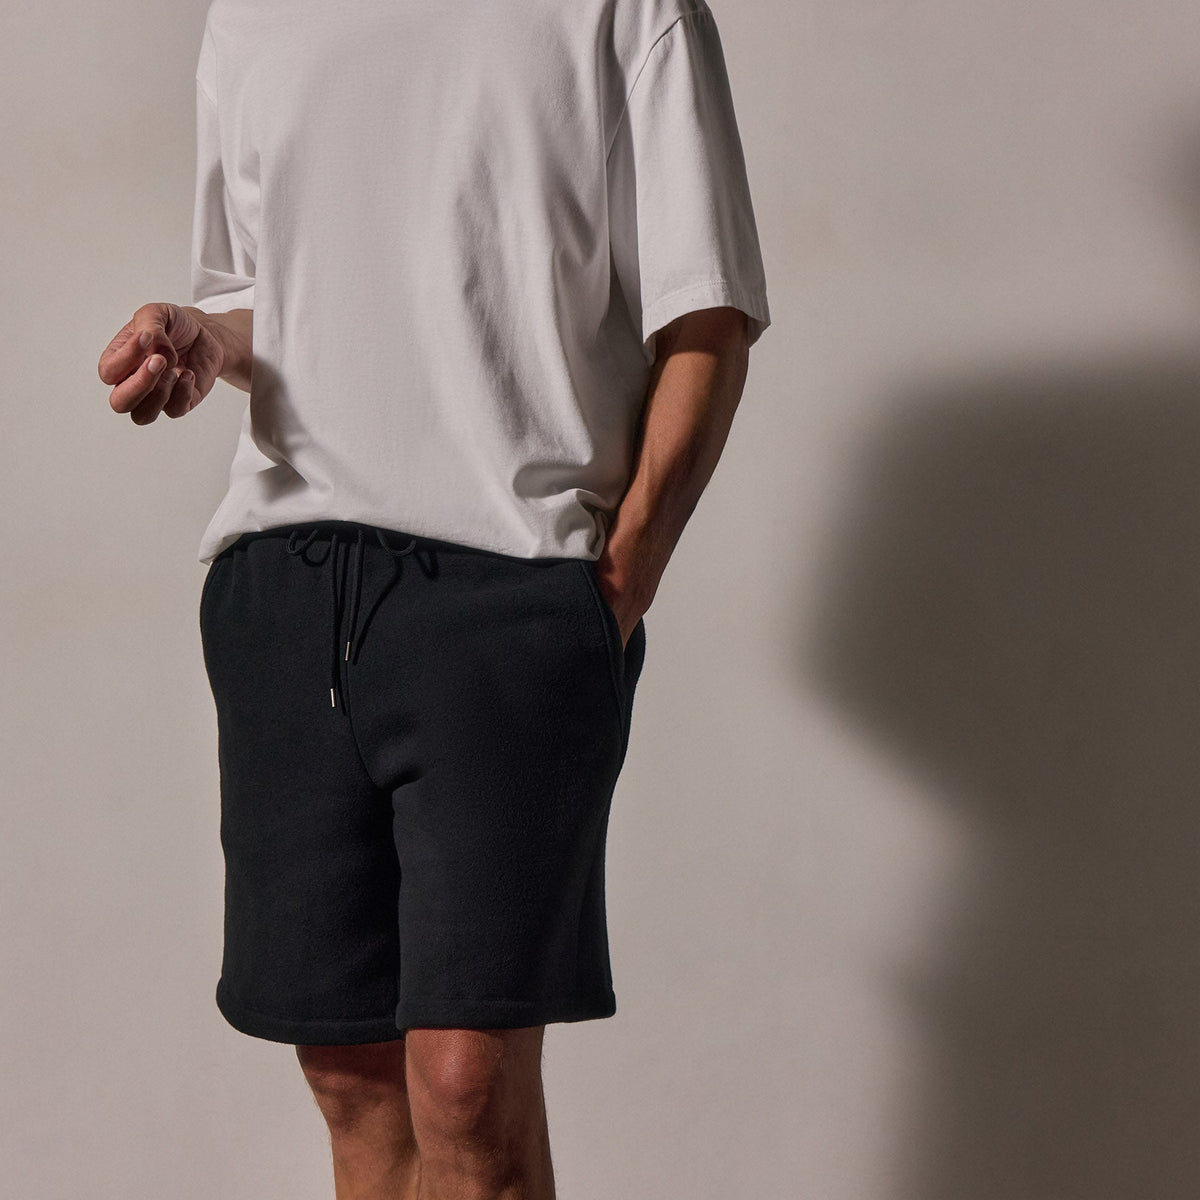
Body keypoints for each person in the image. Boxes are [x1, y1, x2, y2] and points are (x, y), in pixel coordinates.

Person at [97, 0, 770, 1195]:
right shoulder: (253, 15)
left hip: (512, 595)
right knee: (350, 1078)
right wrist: (206, 336)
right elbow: (259, 289)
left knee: (465, 1086)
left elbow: (707, 314)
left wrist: (614, 590)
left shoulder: (627, 9)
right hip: (288, 585)